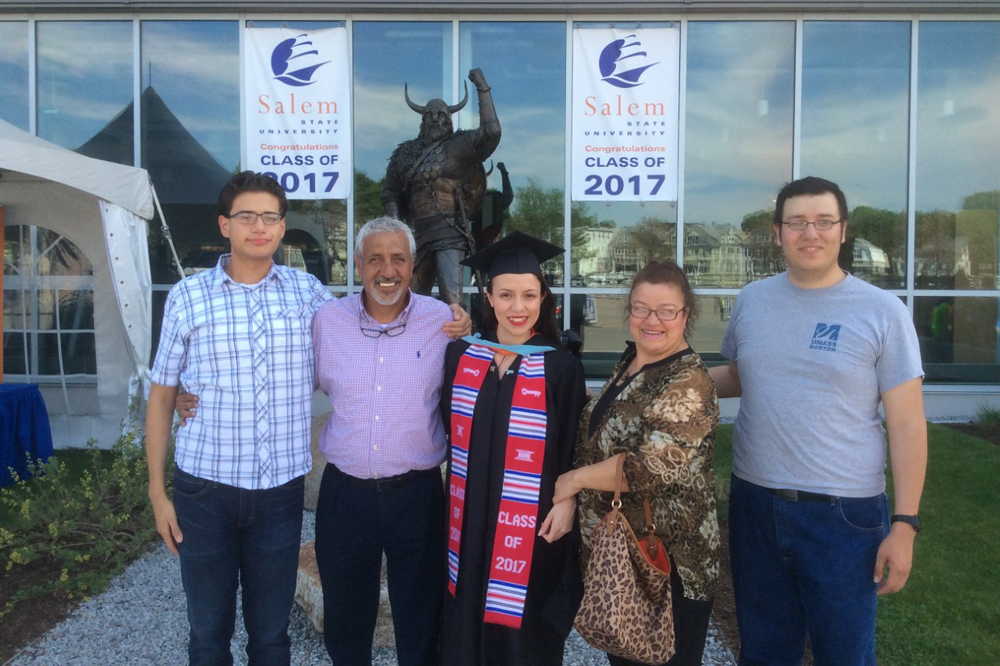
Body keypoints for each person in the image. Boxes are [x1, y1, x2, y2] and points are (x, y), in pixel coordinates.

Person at [710, 176, 927, 665]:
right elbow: (740, 376)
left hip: (844, 518)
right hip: (756, 505)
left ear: (843, 230)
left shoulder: (882, 312)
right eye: (797, 222)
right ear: (778, 232)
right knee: (764, 653)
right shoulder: (752, 300)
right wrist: (663, 381)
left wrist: (905, 525)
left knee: (844, 655)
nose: (811, 233)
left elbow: (909, 424)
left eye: (823, 221)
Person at [145, 171, 333, 665]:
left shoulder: (308, 294)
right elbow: (163, 394)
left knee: (271, 636)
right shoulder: (188, 297)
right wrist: (157, 492)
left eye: (270, 217)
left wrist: (440, 318)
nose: (260, 226)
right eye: (247, 216)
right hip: (205, 492)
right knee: (208, 634)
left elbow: (359, 340)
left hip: (280, 495)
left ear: (282, 226)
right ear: (225, 225)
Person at [311, 216, 470, 666]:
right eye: (375, 258)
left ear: (414, 265)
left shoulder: (443, 322)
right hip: (345, 496)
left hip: (417, 496)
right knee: (344, 620)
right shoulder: (327, 320)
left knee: (420, 619)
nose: (387, 270)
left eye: (398, 258)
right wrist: (192, 392)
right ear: (359, 264)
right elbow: (286, 381)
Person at [553, 261, 721, 666]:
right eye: (641, 308)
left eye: (667, 310)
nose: (652, 320)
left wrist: (572, 481)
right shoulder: (634, 363)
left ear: (686, 315)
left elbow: (645, 470)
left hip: (663, 568)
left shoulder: (688, 382)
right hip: (619, 563)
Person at [439, 231, 587, 666]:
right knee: (464, 605)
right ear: (488, 296)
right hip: (465, 516)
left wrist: (569, 502)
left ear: (543, 298)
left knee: (524, 622)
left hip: (532, 521)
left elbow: (575, 447)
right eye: (505, 295)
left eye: (528, 295)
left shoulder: (561, 368)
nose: (517, 307)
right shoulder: (461, 356)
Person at [381, 68, 501, 304]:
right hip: (418, 237)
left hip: (450, 234)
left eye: (441, 114)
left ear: (449, 119)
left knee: (452, 301)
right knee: (408, 301)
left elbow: (491, 132)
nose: (436, 118)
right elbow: (390, 192)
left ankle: (458, 341)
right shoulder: (405, 154)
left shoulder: (460, 145)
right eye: (430, 114)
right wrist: (397, 229)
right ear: (423, 120)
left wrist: (482, 88)